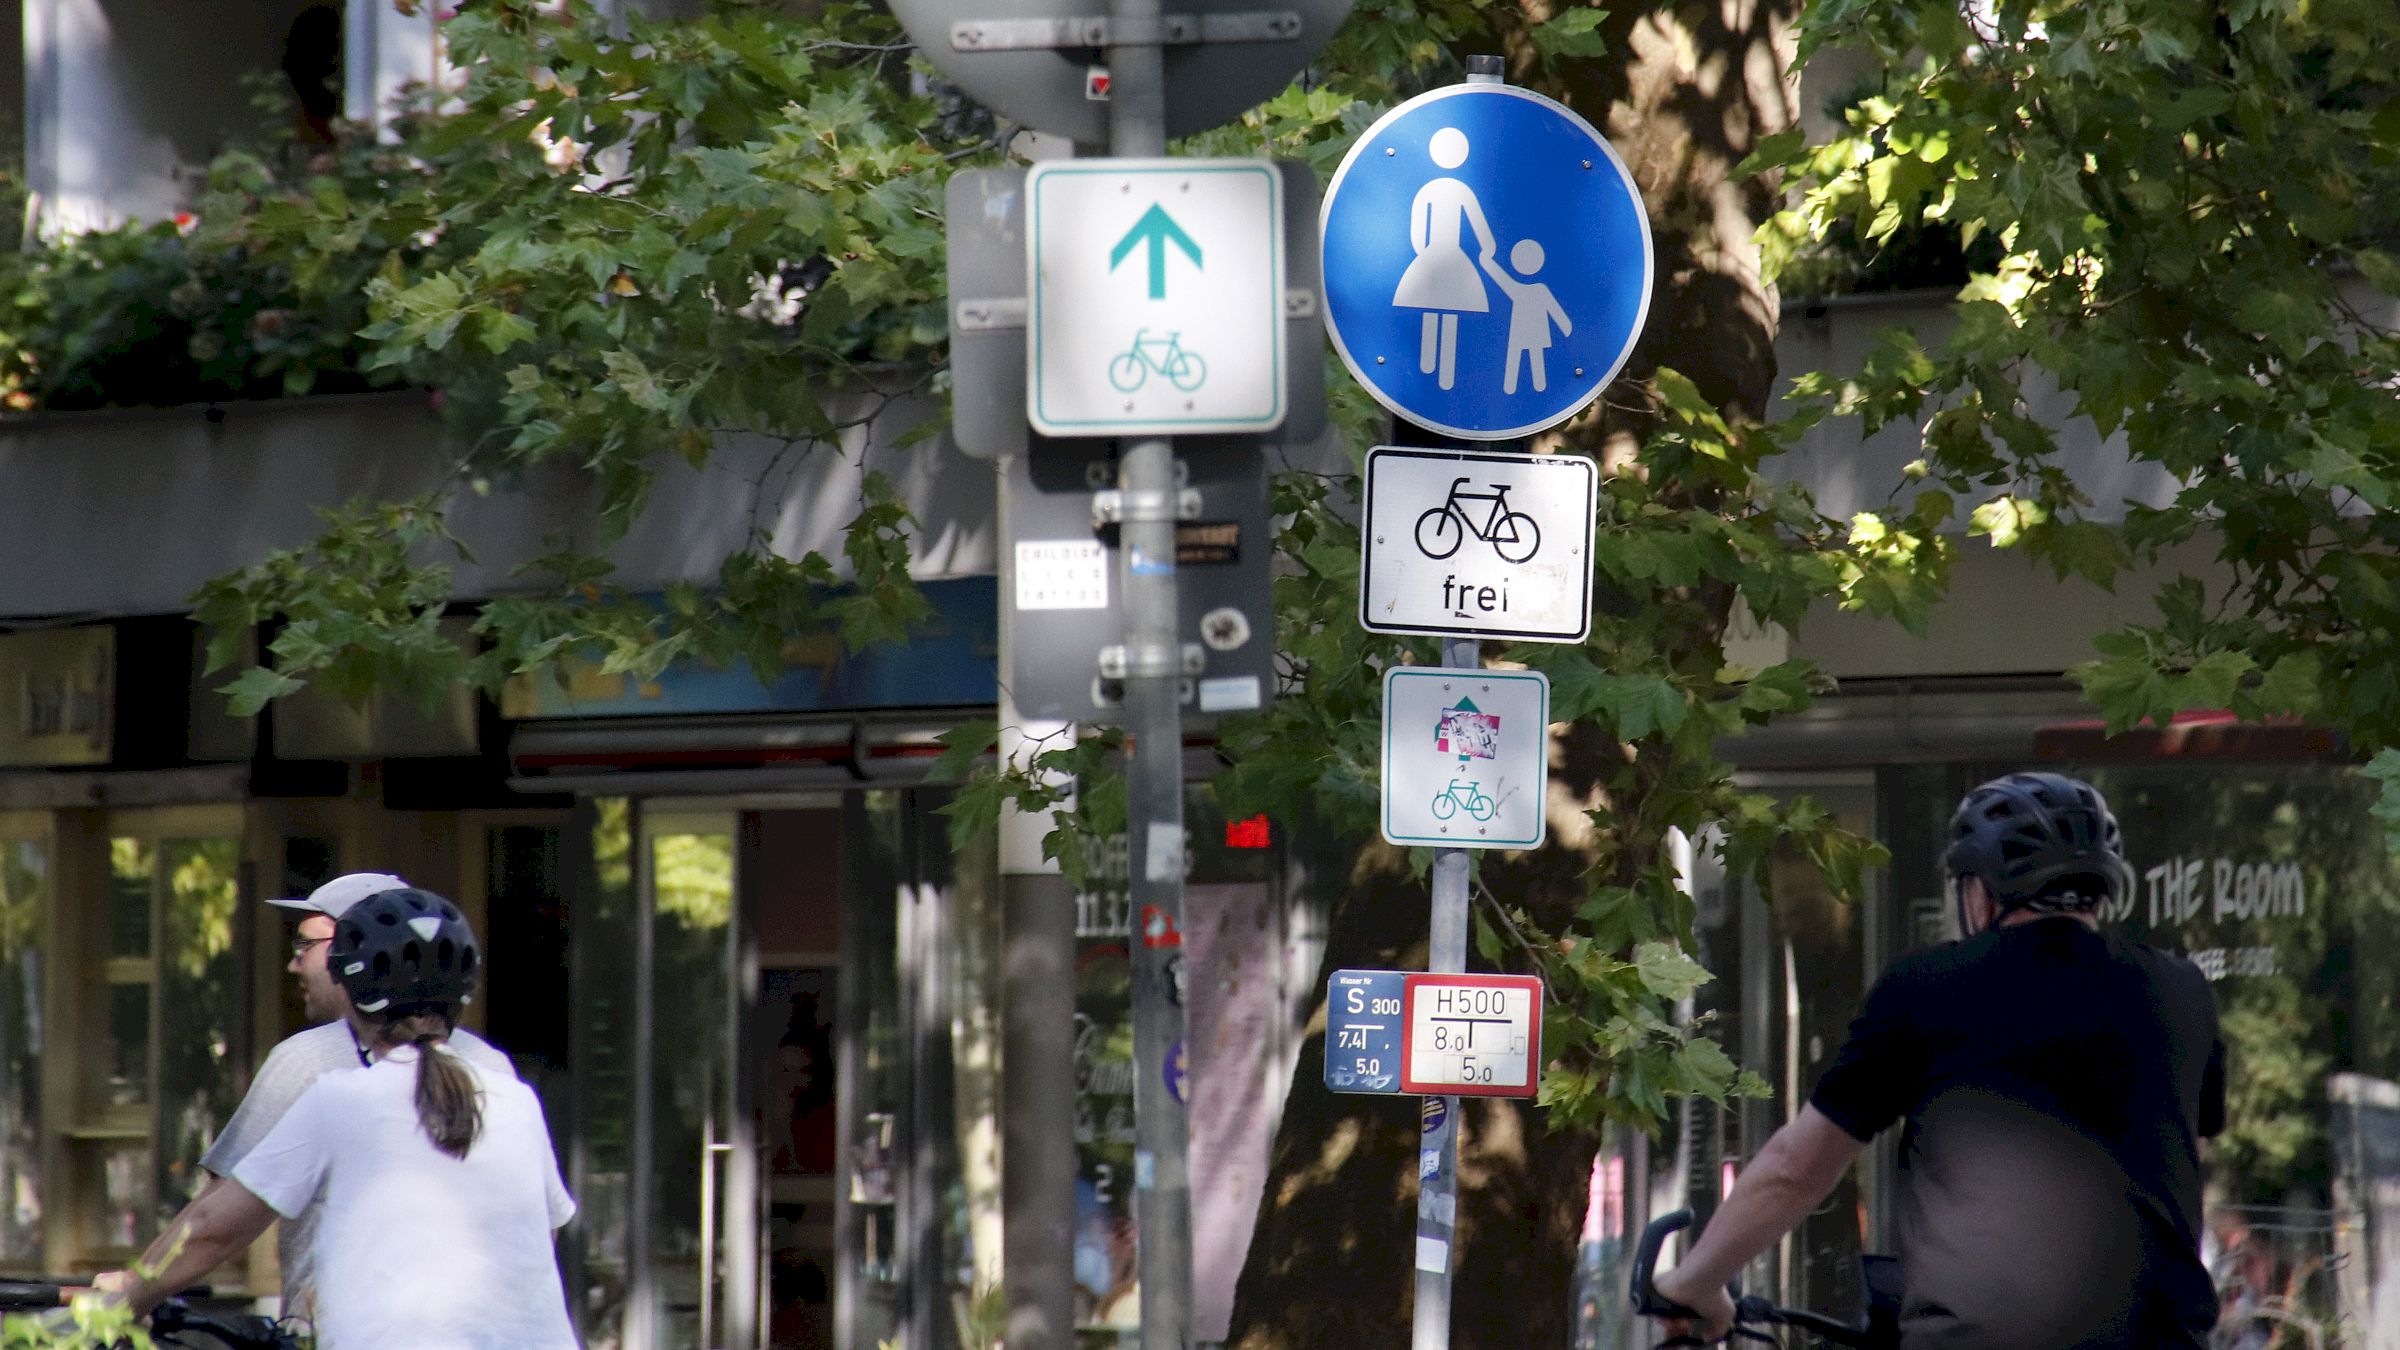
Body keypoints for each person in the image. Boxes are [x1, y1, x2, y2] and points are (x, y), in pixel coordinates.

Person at [1650, 772, 2227, 1348]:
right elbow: (2185, 1154)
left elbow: (1798, 1169)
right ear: (2101, 889)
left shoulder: (1928, 987)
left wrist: (1694, 1283)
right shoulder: (2181, 993)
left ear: (1980, 891)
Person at [104, 887, 577, 1349]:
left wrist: (122, 1306)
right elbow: (543, 1233)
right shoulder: (516, 1100)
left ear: (351, 988)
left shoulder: (339, 1101)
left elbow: (214, 1229)